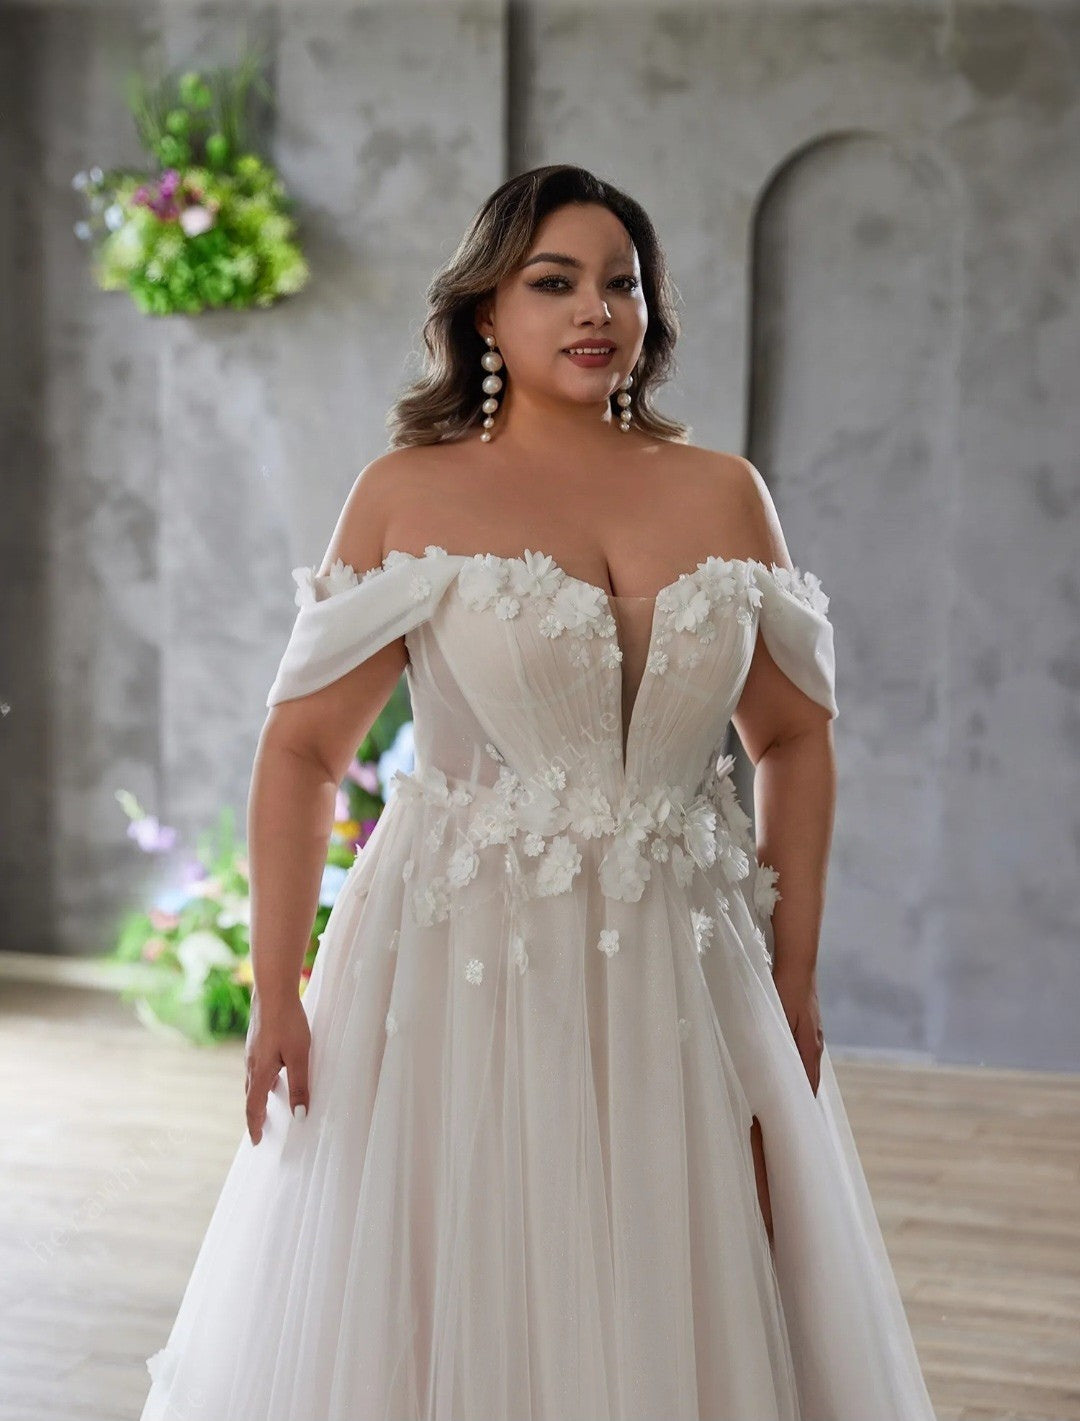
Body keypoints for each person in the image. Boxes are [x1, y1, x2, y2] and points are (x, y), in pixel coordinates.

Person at [141, 164, 937, 1420]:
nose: (596, 308)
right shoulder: (408, 492)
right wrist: (277, 987)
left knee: (688, 1279)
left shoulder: (724, 492)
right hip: (459, 967)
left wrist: (792, 973)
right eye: (553, 280)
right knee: (463, 1286)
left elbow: (792, 738)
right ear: (484, 315)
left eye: (620, 282)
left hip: (688, 964)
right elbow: (300, 750)